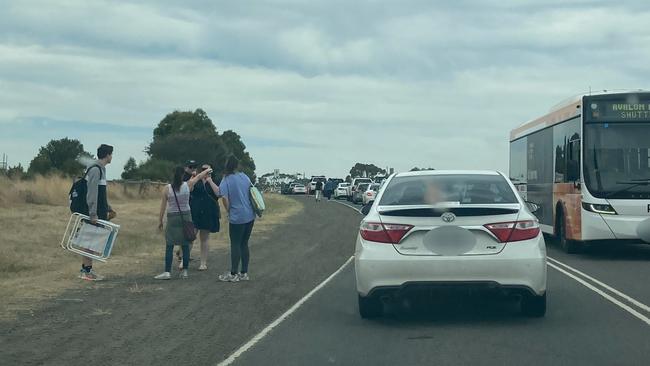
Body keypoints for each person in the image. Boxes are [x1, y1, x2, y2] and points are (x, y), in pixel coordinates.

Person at [155, 166, 213, 280]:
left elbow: (163, 207)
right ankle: (185, 271)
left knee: (170, 244)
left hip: (172, 217)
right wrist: (208, 170)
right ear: (182, 175)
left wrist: (160, 220)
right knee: (186, 243)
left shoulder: (167, 188)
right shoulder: (188, 185)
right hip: (186, 216)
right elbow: (200, 176)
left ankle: (167, 271)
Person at [79, 144, 115, 281]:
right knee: (90, 242)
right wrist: (93, 213)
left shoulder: (101, 170)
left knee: (91, 242)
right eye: (111, 154)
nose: (112, 157)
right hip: (93, 212)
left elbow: (101, 194)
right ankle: (86, 271)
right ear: (107, 155)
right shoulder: (96, 170)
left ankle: (87, 269)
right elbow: (92, 193)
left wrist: (108, 207)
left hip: (99, 211)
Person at [218, 155, 256, 282]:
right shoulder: (244, 177)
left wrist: (229, 210)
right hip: (250, 214)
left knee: (235, 244)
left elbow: (224, 197)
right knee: (244, 243)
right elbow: (252, 191)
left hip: (237, 216)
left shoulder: (226, 180)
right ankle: (244, 272)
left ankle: (233, 273)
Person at [191, 164, 221, 271]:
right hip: (195, 211)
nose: (205, 171)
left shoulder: (215, 181)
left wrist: (210, 181)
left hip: (208, 212)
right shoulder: (196, 180)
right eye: (203, 169)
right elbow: (189, 189)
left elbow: (218, 193)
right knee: (190, 236)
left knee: (204, 238)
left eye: (208, 169)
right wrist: (195, 177)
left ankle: (203, 263)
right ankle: (184, 260)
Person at [176, 159, 198, 267]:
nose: (192, 169)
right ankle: (182, 255)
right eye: (190, 167)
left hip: (191, 208)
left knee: (189, 233)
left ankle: (183, 254)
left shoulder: (194, 178)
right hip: (183, 208)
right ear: (186, 167)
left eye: (194, 167)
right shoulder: (183, 177)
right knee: (186, 233)